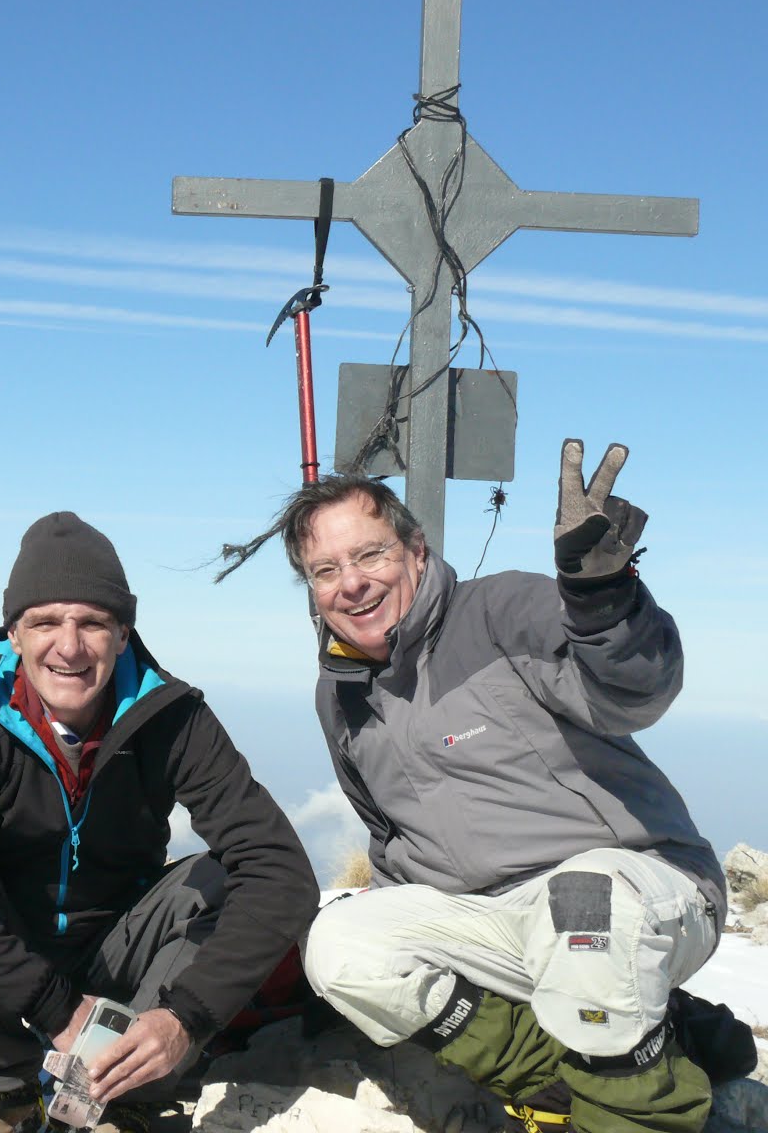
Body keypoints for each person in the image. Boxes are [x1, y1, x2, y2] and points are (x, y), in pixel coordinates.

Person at [281, 443, 725, 1133]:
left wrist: (604, 603)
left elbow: (630, 693)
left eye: (370, 556)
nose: (351, 584)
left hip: (636, 886)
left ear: (417, 552)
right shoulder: (339, 697)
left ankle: (641, 1111)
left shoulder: (499, 612)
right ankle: (574, 1075)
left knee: (582, 911)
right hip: (492, 926)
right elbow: (390, 838)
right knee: (338, 942)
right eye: (325, 570)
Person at [0, 512, 319, 1133]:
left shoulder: (170, 715)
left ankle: (129, 1090)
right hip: (1, 972)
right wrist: (55, 1007)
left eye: (93, 623)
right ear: (16, 632)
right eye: (45, 622)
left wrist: (185, 1018)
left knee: (211, 881)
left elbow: (281, 870)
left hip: (117, 963)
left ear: (123, 631)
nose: (69, 646)